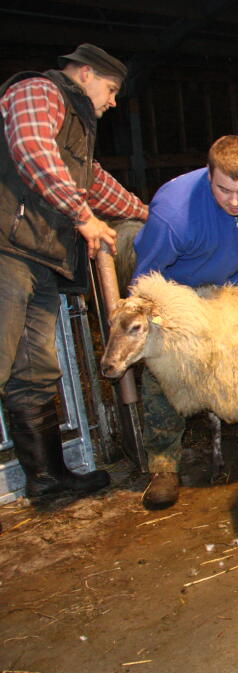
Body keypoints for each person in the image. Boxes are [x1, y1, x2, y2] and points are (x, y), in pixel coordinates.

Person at [1, 43, 148, 499]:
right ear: (84, 74)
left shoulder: (77, 129)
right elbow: (30, 147)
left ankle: (46, 480)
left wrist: (147, 214)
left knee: (35, 371)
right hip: (5, 249)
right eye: (111, 88)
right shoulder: (39, 91)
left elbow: (94, 181)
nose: (113, 100)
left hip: (40, 259)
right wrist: (82, 216)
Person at [131, 135, 238, 509]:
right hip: (178, 296)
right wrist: (161, 324)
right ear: (209, 176)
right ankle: (164, 465)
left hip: (230, 290)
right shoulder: (173, 213)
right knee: (164, 376)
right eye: (224, 190)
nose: (235, 201)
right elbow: (147, 278)